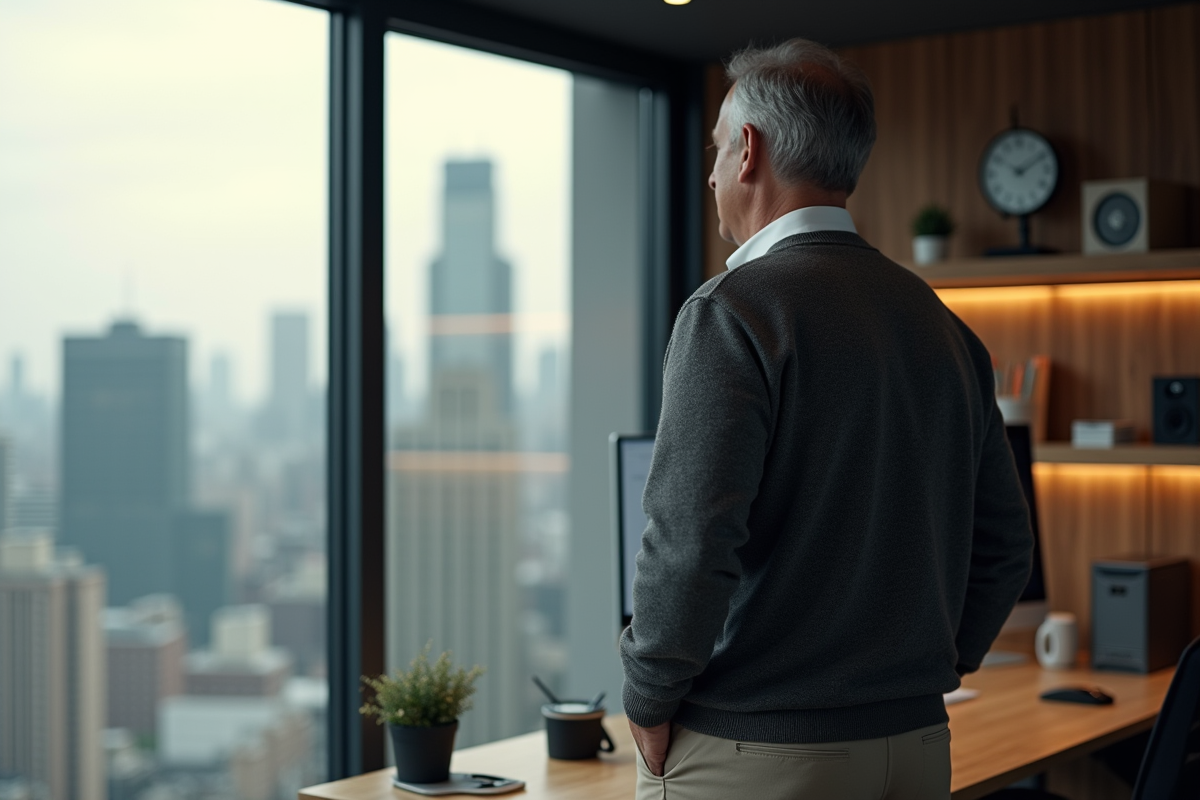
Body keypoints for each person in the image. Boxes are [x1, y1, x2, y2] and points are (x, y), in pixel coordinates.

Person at [619, 38, 1034, 800]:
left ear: (748, 151)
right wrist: (925, 673)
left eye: (715, 150)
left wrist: (647, 697)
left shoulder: (732, 312)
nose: (709, 175)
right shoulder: (944, 327)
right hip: (914, 747)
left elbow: (690, 539)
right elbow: (1007, 548)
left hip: (757, 752)